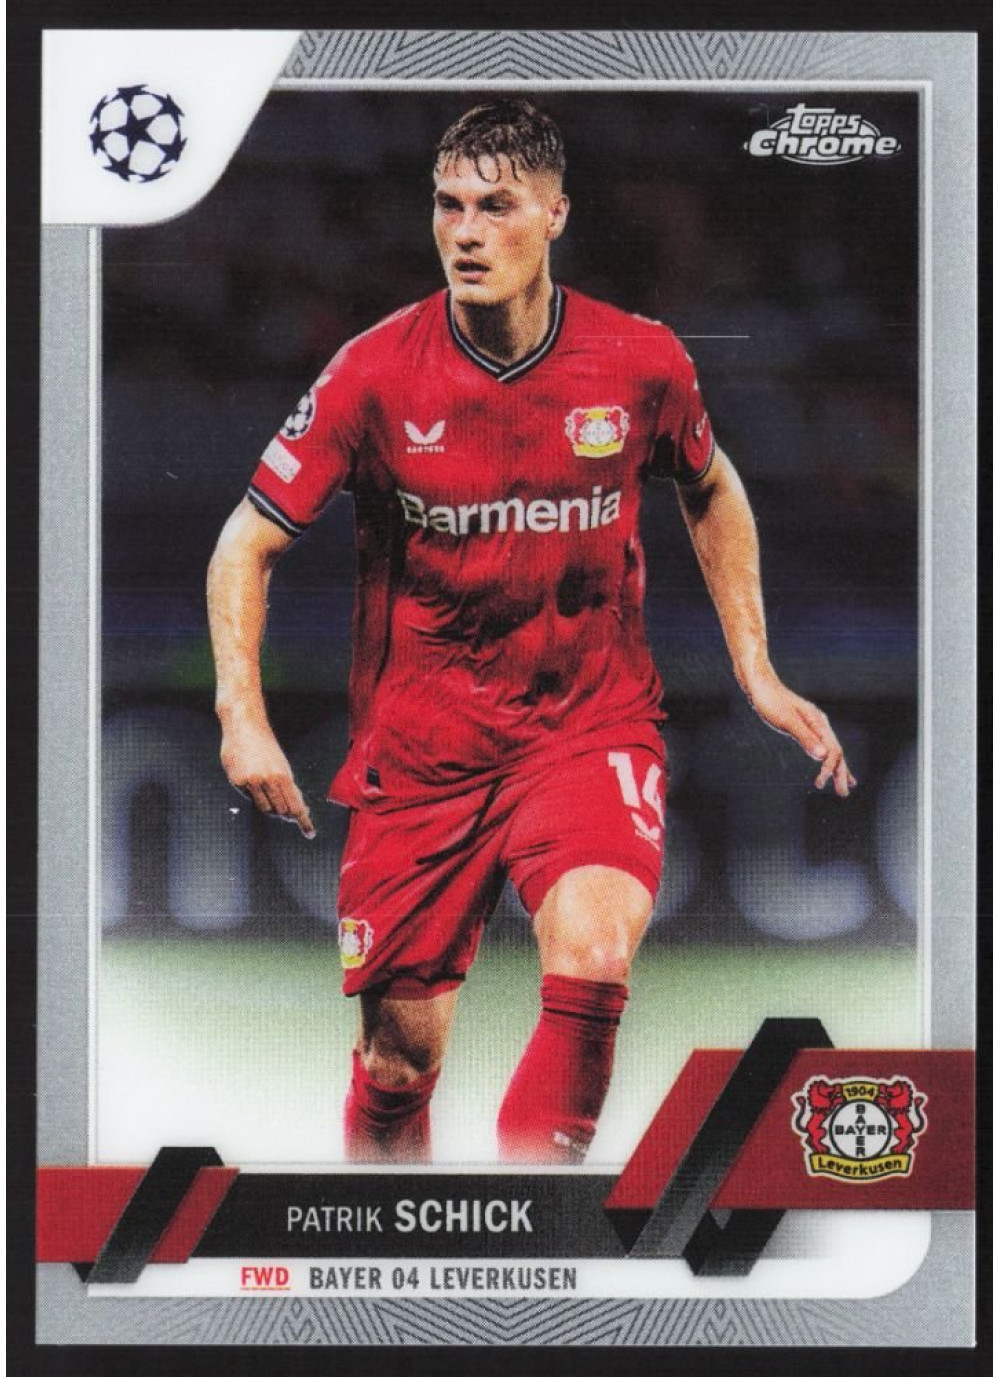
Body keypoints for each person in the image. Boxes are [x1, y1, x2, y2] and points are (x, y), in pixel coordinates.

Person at [207, 99, 855, 1166]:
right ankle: (393, 1247)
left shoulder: (640, 361)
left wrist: (756, 666)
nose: (465, 232)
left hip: (586, 726)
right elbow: (246, 539)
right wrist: (243, 715)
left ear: (555, 215)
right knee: (397, 1065)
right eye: (448, 205)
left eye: (495, 206)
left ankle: (530, 1228)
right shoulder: (373, 374)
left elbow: (708, 483)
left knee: (595, 953)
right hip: (424, 754)